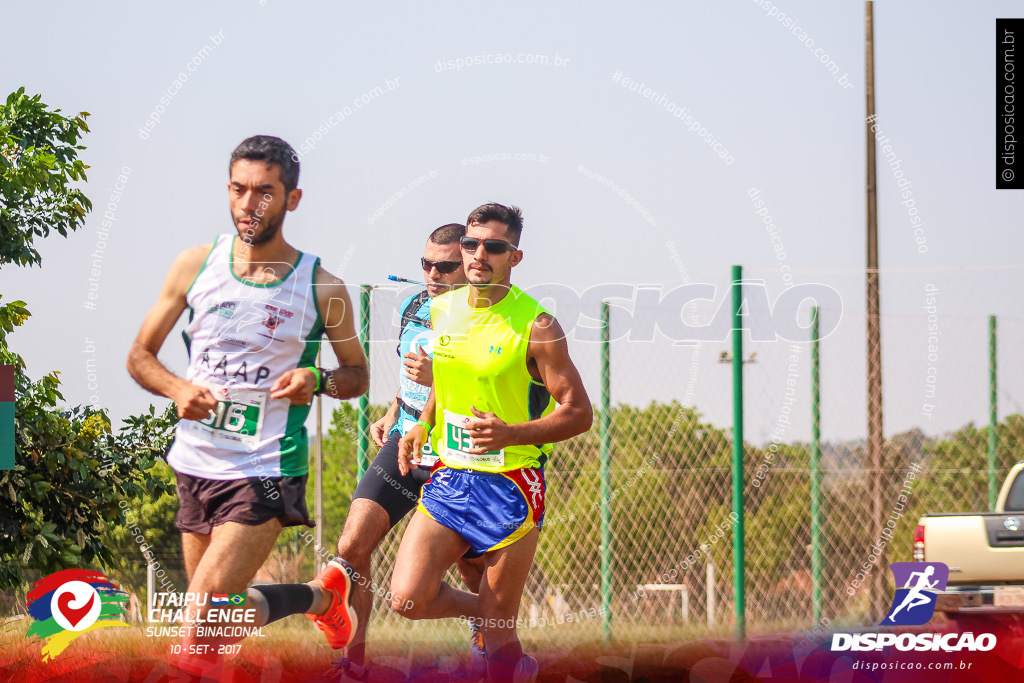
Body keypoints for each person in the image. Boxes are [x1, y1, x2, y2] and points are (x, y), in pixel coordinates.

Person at [125, 135, 368, 671]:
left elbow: (357, 376)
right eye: (238, 190)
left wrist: (318, 380)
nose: (248, 204)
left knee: (199, 621)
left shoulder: (321, 286)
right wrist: (178, 389)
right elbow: (140, 356)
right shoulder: (196, 264)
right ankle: (320, 598)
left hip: (264, 465)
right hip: (194, 462)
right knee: (220, 619)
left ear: (292, 200)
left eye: (264, 192)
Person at [390, 203, 594, 683]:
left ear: (514, 257)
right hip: (450, 474)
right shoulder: (443, 309)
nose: (479, 254)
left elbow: (579, 413)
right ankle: (485, 613)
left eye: (494, 247)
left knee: (499, 635)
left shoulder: (536, 325)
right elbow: (447, 374)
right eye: (471, 244)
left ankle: (508, 654)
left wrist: (510, 433)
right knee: (406, 598)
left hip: (510, 484)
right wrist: (423, 421)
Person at [308, 224, 488, 681]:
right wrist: (392, 411)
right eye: (426, 263)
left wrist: (441, 384)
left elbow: (483, 392)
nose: (432, 273)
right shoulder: (414, 307)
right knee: (351, 545)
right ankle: (354, 662)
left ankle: (486, 620)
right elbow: (412, 377)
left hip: (456, 455)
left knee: (471, 570)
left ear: (467, 269)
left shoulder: (482, 318)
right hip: (404, 444)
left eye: (445, 266)